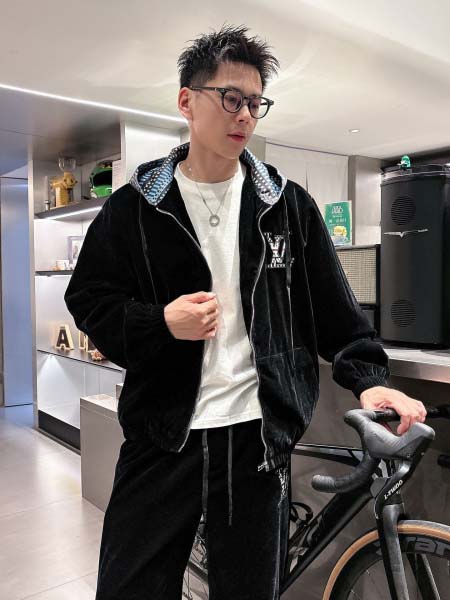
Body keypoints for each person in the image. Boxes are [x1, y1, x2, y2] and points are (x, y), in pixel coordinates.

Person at [65, 24, 426, 600]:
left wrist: (370, 380)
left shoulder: (286, 205)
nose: (245, 116)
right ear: (187, 101)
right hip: (163, 435)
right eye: (231, 98)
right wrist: (161, 323)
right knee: (129, 587)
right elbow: (88, 298)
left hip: (256, 440)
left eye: (256, 103)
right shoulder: (136, 206)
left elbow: (334, 312)